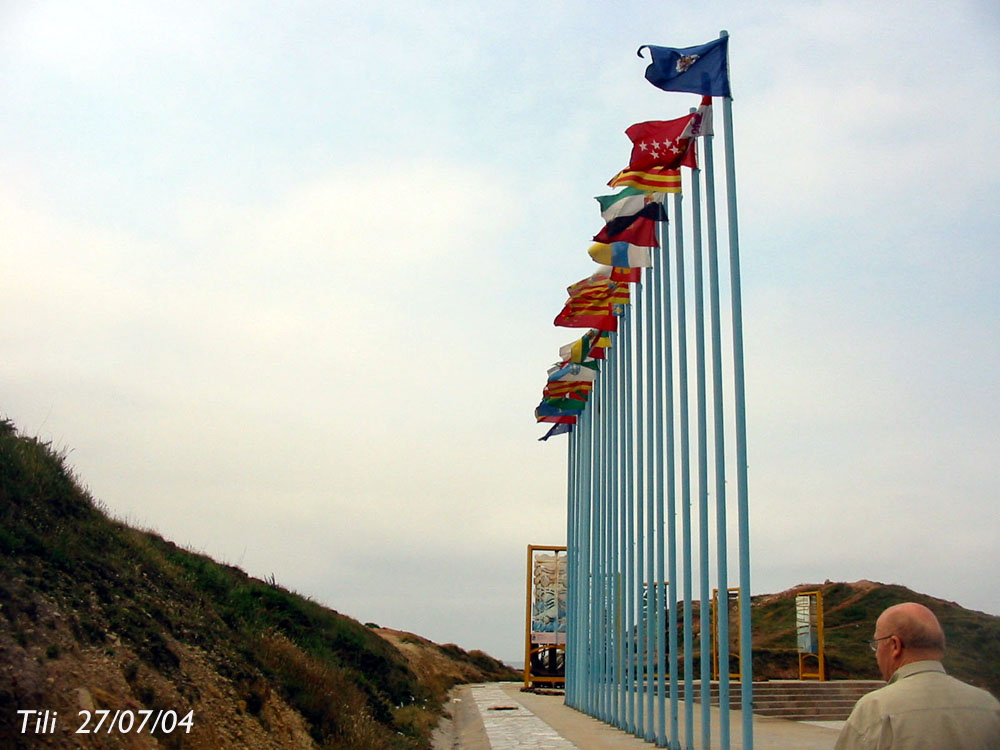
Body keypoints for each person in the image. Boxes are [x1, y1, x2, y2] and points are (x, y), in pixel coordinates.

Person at [835, 602, 1000, 749]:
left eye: (876, 645)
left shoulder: (874, 709)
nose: (876, 654)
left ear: (895, 645)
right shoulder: (990, 705)